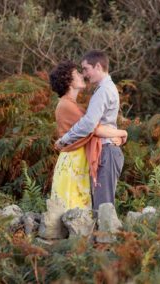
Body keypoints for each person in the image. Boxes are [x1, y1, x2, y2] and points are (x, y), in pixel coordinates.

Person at [50, 60, 127, 210]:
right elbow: (94, 129)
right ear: (69, 81)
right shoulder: (67, 105)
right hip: (73, 162)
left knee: (79, 210)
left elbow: (93, 128)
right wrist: (122, 132)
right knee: (75, 210)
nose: (82, 75)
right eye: (77, 73)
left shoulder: (70, 103)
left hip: (76, 160)